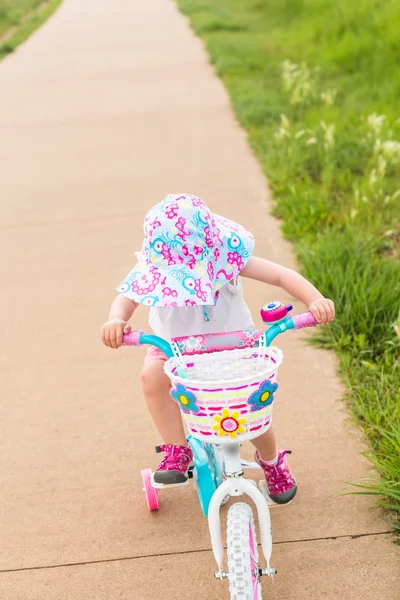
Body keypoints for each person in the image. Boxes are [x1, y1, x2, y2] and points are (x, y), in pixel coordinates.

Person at [101, 194, 335, 504]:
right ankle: (177, 447)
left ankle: (271, 459)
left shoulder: (227, 260)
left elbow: (281, 275)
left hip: (235, 347)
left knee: (252, 406)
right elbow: (126, 297)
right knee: (152, 376)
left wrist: (315, 299)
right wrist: (116, 320)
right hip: (175, 351)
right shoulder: (151, 266)